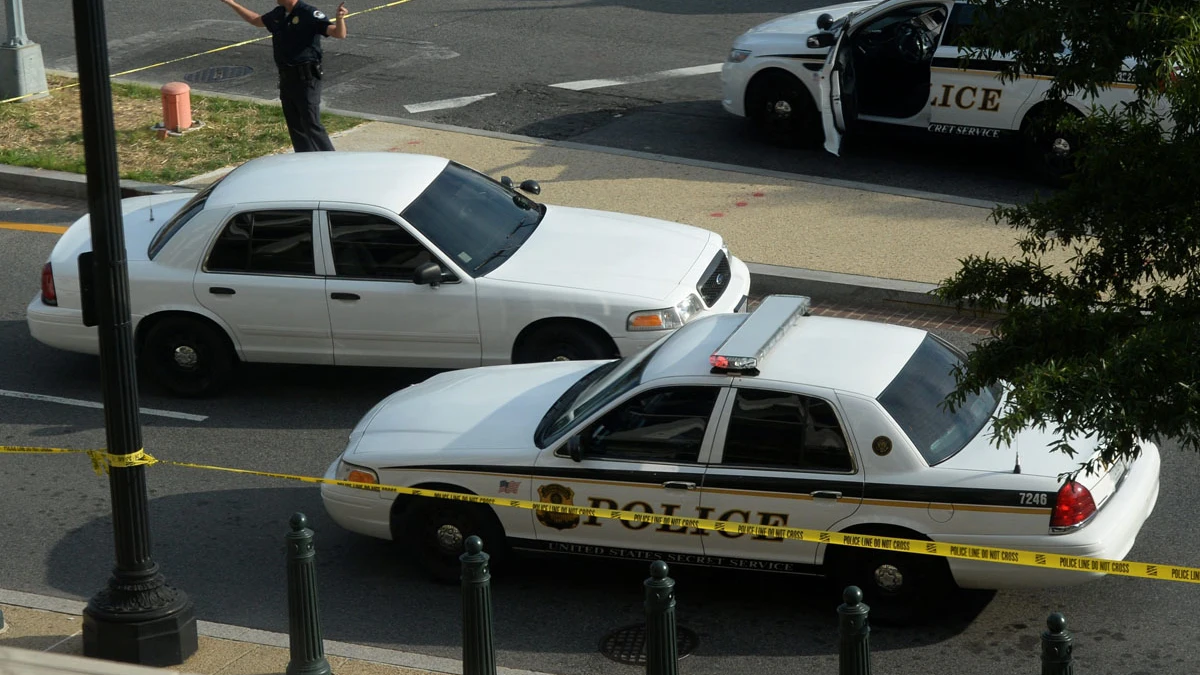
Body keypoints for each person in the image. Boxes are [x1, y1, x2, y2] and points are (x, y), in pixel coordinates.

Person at [218, 0, 348, 152]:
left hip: (306, 78)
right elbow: (256, 20)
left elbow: (339, 33)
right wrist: (232, 3)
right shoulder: (279, 13)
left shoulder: (308, 13)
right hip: (287, 78)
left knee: (311, 123)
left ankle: (330, 161)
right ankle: (304, 159)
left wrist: (339, 19)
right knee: (295, 125)